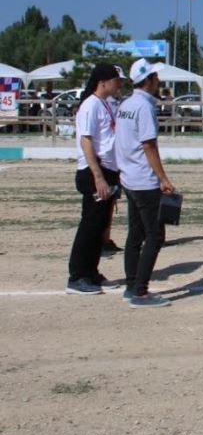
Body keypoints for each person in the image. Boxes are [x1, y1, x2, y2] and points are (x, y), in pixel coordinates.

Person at [115, 58, 176, 308]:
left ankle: (131, 285)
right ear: (148, 80)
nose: (158, 80)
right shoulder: (144, 106)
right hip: (144, 179)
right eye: (155, 76)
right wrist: (163, 178)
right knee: (155, 235)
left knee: (135, 234)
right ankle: (140, 291)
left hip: (129, 177)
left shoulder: (126, 104)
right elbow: (149, 144)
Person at [66, 63, 124, 295]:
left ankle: (91, 272)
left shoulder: (104, 104)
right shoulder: (90, 105)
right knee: (90, 225)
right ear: (103, 81)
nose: (119, 84)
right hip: (93, 171)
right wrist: (98, 176)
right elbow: (87, 141)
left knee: (100, 225)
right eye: (116, 80)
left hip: (107, 170)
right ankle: (77, 276)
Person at [101, 69, 125, 256]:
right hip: (105, 161)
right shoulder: (101, 104)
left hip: (115, 158)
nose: (121, 84)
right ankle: (102, 239)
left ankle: (106, 238)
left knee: (111, 203)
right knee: (103, 204)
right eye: (118, 80)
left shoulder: (118, 102)